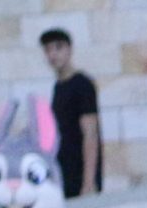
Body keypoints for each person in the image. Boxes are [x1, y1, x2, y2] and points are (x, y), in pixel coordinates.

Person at [39, 29, 100, 198]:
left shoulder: (82, 85)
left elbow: (90, 134)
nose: (53, 54)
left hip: (80, 178)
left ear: (69, 49)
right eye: (48, 50)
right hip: (63, 175)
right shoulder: (58, 87)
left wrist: (88, 182)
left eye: (58, 47)